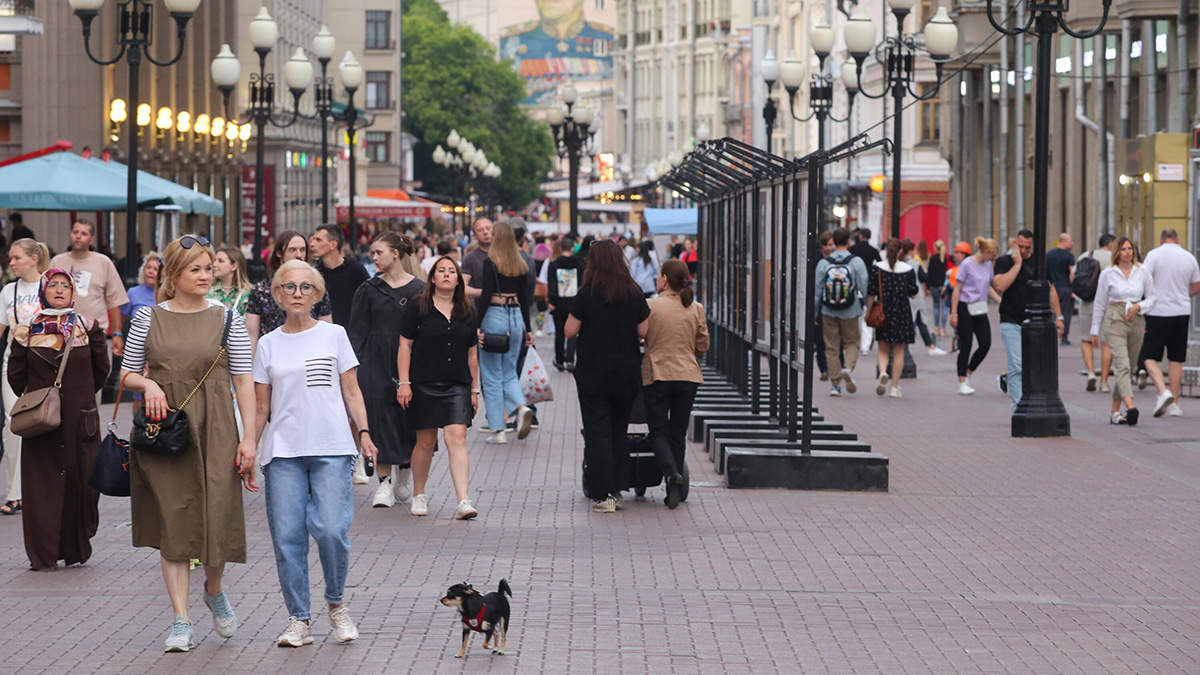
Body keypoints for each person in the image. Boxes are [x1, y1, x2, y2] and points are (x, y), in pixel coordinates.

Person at [119, 234, 258, 652]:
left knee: (217, 516)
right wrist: (148, 384)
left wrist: (250, 437)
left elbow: (243, 380)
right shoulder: (148, 317)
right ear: (173, 275)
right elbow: (125, 373)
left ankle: (213, 589)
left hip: (215, 428)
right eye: (194, 269)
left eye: (207, 267)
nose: (204, 275)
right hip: (165, 432)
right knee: (174, 523)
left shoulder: (226, 317)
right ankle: (181, 619)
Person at [251, 259, 375, 647]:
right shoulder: (267, 344)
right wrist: (248, 450)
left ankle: (336, 605)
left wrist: (365, 434)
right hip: (283, 451)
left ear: (318, 294)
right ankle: (298, 619)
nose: (297, 294)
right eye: (289, 287)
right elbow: (259, 408)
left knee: (331, 530)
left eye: (306, 287)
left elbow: (351, 391)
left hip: (333, 447)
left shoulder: (334, 335)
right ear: (277, 294)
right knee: (288, 537)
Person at [7, 269, 110, 569]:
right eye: (53, 285)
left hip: (81, 421)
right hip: (42, 424)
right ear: (43, 291)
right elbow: (16, 376)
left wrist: (81, 397)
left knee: (82, 484)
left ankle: (76, 547)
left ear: (74, 293)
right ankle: (44, 555)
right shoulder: (26, 331)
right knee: (42, 488)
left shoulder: (87, 327)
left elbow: (100, 370)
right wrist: (42, 402)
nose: (60, 290)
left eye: (66, 285)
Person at [565, 240, 651, 513]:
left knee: (597, 431)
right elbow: (644, 330)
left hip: (593, 373)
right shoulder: (633, 292)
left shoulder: (586, 294)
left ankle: (604, 494)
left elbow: (569, 330)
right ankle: (618, 487)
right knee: (618, 430)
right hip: (626, 371)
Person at [397, 256, 481, 520]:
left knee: (456, 438)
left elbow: (471, 354)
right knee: (425, 441)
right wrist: (404, 382)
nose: (446, 274)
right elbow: (404, 346)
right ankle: (419, 494)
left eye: (452, 271)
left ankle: (463, 500)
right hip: (423, 383)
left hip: (457, 383)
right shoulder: (417, 307)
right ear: (432, 277)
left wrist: (474, 390)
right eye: (441, 271)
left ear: (458, 279)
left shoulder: (467, 310)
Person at [349, 232, 423, 508]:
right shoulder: (368, 290)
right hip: (374, 359)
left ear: (395, 253)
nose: (374, 257)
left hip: (410, 359)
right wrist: (351, 365)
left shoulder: (419, 290)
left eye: (379, 252)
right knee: (377, 416)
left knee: (408, 418)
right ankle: (383, 483)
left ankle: (404, 467)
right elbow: (357, 331)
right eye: (373, 253)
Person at [642, 260, 709, 509]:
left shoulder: (651, 305)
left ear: (664, 279)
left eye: (659, 276)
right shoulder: (695, 307)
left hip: (658, 374)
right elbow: (702, 344)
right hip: (688, 376)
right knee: (678, 433)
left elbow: (641, 335)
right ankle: (674, 488)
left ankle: (671, 473)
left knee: (658, 430)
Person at [0, 239, 50, 516]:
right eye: (10, 258)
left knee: (42, 422)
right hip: (14, 364)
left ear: (33, 259)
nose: (11, 262)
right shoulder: (9, 291)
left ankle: (38, 486)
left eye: (16, 258)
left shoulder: (51, 283)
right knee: (12, 422)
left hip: (44, 365)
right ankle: (14, 492)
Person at [475, 221, 535, 444]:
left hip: (495, 314)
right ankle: (521, 408)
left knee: (491, 375)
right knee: (509, 372)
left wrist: (478, 326)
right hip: (516, 316)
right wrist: (528, 329)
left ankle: (498, 429)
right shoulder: (521, 263)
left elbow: (485, 296)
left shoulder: (491, 262)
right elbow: (526, 299)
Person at [992, 230, 1065, 411]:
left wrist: (1060, 316)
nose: (1023, 250)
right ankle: (1018, 407)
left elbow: (1051, 289)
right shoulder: (1004, 262)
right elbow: (1000, 285)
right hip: (1011, 320)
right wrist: (1017, 265)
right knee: (1017, 365)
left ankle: (1022, 394)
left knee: (1033, 365)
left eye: (1027, 247)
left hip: (1036, 322)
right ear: (1014, 243)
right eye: (1020, 246)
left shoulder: (1040, 264)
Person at [1091, 237, 1157, 426]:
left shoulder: (1142, 271)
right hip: (1115, 317)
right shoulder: (1108, 273)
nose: (1128, 252)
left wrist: (1139, 306)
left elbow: (1153, 298)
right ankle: (1130, 406)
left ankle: (1114, 411)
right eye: (1124, 249)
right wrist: (1094, 330)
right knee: (1122, 365)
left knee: (1131, 366)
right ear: (1117, 253)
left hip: (1136, 318)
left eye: (1130, 248)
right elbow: (1100, 302)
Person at [1140, 228, 1200, 418]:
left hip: (1157, 311)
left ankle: (1162, 391)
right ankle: (1175, 403)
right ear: (1177, 239)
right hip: (1181, 312)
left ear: (1161, 240)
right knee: (1176, 359)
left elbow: (1143, 280)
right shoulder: (1189, 257)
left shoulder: (1153, 255)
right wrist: (1184, 294)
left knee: (1149, 357)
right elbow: (1196, 286)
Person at [50, 219, 129, 357]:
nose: (78, 236)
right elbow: (45, 297)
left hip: (95, 333)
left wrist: (117, 333)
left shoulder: (103, 262)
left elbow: (114, 301)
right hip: (61, 332)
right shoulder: (57, 261)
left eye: (84, 233)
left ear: (91, 239)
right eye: (75, 232)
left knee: (97, 376)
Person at [246, 230, 332, 351]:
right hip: (271, 356)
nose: (298, 255)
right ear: (279, 253)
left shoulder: (315, 287)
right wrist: (250, 368)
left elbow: (327, 329)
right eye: (292, 250)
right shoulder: (261, 289)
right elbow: (251, 334)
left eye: (302, 250)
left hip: (310, 353)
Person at [814, 227, 867, 396]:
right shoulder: (856, 262)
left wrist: (816, 312)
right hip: (850, 309)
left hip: (828, 310)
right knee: (852, 342)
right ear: (849, 241)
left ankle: (835, 384)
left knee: (831, 347)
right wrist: (865, 304)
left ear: (833, 243)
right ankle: (848, 369)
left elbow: (817, 290)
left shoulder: (824, 263)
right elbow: (864, 285)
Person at [866, 239, 919, 398]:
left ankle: (883, 372)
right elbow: (913, 293)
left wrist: (868, 312)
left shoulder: (878, 269)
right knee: (899, 351)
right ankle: (895, 387)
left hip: (884, 311)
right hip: (902, 312)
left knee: (883, 349)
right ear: (900, 251)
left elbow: (871, 292)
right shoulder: (908, 269)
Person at [949, 237, 1001, 395]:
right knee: (966, 344)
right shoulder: (967, 264)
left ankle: (969, 370)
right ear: (986, 252)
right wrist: (954, 313)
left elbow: (987, 287)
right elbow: (957, 288)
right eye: (993, 256)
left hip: (980, 307)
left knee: (985, 343)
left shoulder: (987, 265)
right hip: (965, 306)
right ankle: (962, 381)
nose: (994, 259)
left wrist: (1000, 301)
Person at [310, 224, 369, 329]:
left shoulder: (355, 270)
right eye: (313, 239)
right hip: (324, 335)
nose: (312, 244)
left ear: (333, 245)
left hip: (353, 335)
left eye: (318, 240)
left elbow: (369, 302)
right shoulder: (314, 274)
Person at [1076, 234, 1115, 392]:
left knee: (1086, 340)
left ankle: (1091, 372)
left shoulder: (1085, 255)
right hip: (1108, 305)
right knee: (1107, 343)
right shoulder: (1114, 258)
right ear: (1111, 244)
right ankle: (1104, 381)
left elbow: (1075, 277)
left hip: (1086, 304)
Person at [901, 239, 947, 357]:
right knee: (920, 321)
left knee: (912, 322)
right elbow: (924, 277)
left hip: (902, 297)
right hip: (915, 297)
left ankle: (907, 346)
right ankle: (929, 346)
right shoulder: (915, 264)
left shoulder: (899, 262)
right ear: (911, 250)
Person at [547, 236, 583, 371]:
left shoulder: (554, 264)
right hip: (574, 302)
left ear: (561, 248)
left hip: (558, 303)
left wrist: (551, 300)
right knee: (573, 332)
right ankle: (570, 359)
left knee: (559, 332)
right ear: (572, 249)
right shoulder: (579, 264)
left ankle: (559, 360)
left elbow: (551, 284)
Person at [1045, 232, 1075, 345]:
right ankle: (1064, 336)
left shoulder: (1049, 254)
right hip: (1066, 287)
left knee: (1053, 311)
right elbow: (1072, 273)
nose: (1072, 243)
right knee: (1066, 312)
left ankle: (1052, 333)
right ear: (1064, 241)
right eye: (1070, 241)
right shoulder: (1069, 256)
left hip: (1052, 287)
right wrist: (1074, 287)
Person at [208, 247, 253, 318]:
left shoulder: (248, 293)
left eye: (220, 261)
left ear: (234, 266)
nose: (214, 264)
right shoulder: (208, 290)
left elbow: (249, 324)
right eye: (214, 260)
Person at [122, 252, 162, 324]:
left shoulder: (167, 294)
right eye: (148, 267)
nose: (150, 271)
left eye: (155, 269)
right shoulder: (132, 292)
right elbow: (121, 318)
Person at [460, 217, 494, 299]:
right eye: (480, 230)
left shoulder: (505, 253)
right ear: (474, 236)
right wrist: (486, 293)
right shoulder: (470, 257)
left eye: (488, 228)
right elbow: (462, 287)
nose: (485, 232)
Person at [926, 241, 949, 336]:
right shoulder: (947, 258)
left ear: (936, 248)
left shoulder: (933, 258)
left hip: (934, 286)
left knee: (936, 306)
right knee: (944, 307)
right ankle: (943, 329)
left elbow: (929, 273)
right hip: (945, 286)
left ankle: (936, 327)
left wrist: (928, 286)